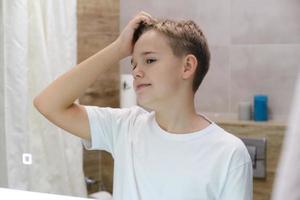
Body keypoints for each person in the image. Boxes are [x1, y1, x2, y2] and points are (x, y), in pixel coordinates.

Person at [34, 11, 253, 200]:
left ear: (187, 66)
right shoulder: (125, 127)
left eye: (149, 60)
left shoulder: (229, 153)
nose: (136, 71)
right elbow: (48, 103)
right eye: (133, 63)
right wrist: (118, 48)